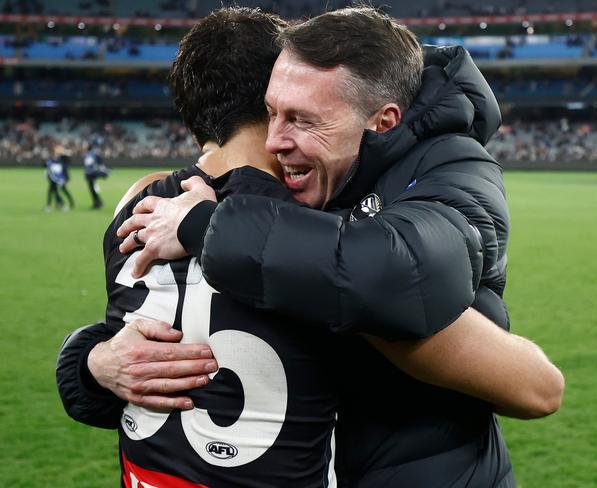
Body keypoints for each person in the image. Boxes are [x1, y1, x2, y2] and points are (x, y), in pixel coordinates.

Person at [58, 6, 564, 488]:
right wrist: (95, 363)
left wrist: (207, 226)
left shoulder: (432, 177)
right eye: (274, 114)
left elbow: (536, 386)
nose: (280, 140)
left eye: (301, 118)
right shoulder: (257, 217)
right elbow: (138, 368)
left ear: (380, 120)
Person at [44, 145, 74, 212]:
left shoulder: (63, 158)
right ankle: (58, 204)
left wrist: (62, 152)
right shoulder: (57, 158)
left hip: (61, 177)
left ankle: (64, 204)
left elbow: (66, 162)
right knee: (55, 191)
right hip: (56, 178)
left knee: (60, 191)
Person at [83, 138, 109, 209]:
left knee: (92, 189)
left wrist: (103, 170)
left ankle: (98, 203)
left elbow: (100, 163)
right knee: (92, 189)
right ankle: (97, 202)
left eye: (86, 145)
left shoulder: (93, 154)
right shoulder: (87, 154)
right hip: (88, 174)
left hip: (92, 174)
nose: (84, 146)